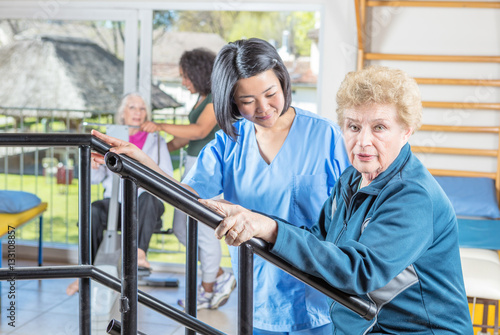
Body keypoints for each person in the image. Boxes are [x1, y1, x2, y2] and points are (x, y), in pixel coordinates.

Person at [91, 37, 350, 334]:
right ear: (232, 101)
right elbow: (185, 196)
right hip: (258, 298)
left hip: (317, 297)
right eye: (247, 101)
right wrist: (139, 160)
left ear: (282, 81)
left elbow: (350, 217)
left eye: (270, 93)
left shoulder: (327, 137)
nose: (263, 108)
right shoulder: (230, 141)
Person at [201, 66, 474, 334]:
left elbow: (360, 271)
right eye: (353, 126)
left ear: (406, 131)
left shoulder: (413, 196)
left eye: (379, 127)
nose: (363, 141)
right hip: (364, 325)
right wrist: (258, 222)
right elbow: (320, 238)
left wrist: (270, 229)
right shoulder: (352, 179)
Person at [140, 48, 231, 310]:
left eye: (185, 76)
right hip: (192, 168)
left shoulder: (217, 96)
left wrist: (159, 125)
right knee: (181, 228)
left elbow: (200, 130)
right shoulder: (203, 97)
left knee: (203, 230)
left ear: (198, 72)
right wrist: (153, 150)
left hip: (209, 172)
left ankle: (207, 289)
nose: (183, 82)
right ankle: (221, 277)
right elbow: (185, 138)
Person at [66, 93, 174, 296]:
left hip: (144, 204)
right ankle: (86, 272)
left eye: (142, 109)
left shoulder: (155, 140)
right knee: (94, 211)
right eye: (132, 107)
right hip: (115, 202)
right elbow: (94, 179)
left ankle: (139, 255)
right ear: (122, 113)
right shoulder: (111, 137)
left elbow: (166, 176)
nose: (138, 112)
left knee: (148, 198)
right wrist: (93, 164)